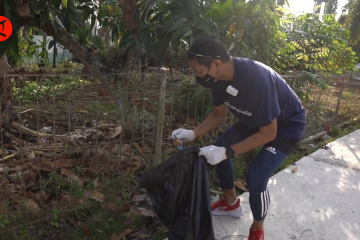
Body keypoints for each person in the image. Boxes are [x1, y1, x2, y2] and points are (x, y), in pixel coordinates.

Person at [171, 36, 306, 240]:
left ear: (216, 63)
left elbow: (269, 133)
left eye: (199, 71)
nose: (199, 77)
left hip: (286, 125)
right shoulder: (217, 79)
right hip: (255, 119)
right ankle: (231, 204)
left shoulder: (257, 80)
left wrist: (228, 152)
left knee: (256, 177)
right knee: (218, 147)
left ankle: (258, 228)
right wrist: (193, 133)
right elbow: (218, 114)